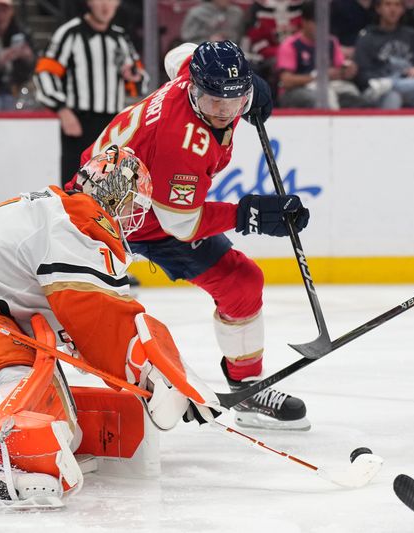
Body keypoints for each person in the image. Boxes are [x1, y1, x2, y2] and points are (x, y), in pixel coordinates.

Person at [0, 145, 221, 511]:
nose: (131, 216)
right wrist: (161, 379)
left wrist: (170, 373)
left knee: (57, 417)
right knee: (21, 375)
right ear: (113, 194)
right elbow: (99, 318)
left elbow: (70, 325)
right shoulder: (77, 222)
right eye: (130, 204)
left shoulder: (57, 212)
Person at [73, 40, 313, 431]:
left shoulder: (197, 73)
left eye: (234, 101)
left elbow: (177, 52)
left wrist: (253, 86)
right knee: (68, 311)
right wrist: (247, 214)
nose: (222, 111)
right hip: (108, 216)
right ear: (193, 89)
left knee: (241, 283)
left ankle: (248, 389)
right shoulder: (182, 142)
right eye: (213, 100)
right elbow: (180, 224)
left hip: (132, 196)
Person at [34, 0, 143, 187]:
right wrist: (63, 110)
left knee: (111, 189)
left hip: (112, 126)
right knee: (75, 188)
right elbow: (45, 74)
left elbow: (140, 79)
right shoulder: (70, 33)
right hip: (78, 123)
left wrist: (133, 76)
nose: (106, 5)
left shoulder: (120, 37)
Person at [354, 0, 414, 109]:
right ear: (378, 8)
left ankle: (392, 85)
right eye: (388, 4)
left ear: (402, 10)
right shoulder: (367, 37)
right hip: (378, 92)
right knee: (393, 96)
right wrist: (383, 81)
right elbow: (362, 75)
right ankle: (392, 86)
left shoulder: (411, 35)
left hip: (410, 85)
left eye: (397, 5)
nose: (393, 9)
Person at [276, 1, 361, 109]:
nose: (321, 26)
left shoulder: (331, 42)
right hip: (295, 90)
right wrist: (317, 77)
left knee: (352, 93)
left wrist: (347, 71)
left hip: (328, 86)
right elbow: (286, 81)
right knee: (322, 97)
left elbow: (340, 69)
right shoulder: (291, 45)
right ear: (304, 22)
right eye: (316, 22)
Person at [0, 0, 35, 111]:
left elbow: (35, 67)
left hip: (18, 87)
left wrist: (29, 58)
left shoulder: (22, 33)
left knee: (23, 101)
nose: (0, 16)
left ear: (11, 12)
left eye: (4, 11)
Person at [181, 0, 246, 45]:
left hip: (228, 54)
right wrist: (208, 40)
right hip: (201, 53)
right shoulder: (196, 13)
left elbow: (239, 36)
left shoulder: (236, 13)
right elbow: (188, 38)